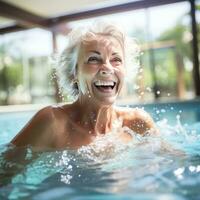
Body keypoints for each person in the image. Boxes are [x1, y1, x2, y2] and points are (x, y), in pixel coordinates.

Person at [11, 22, 158, 150]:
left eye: (116, 59)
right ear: (74, 73)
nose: (107, 68)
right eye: (93, 59)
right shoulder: (53, 122)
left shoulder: (137, 123)